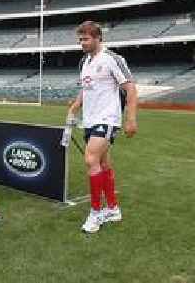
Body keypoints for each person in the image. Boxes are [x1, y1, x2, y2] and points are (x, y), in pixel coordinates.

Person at [67, 21, 138, 234]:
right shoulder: (84, 62)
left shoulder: (113, 59)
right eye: (80, 39)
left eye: (85, 39)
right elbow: (85, 89)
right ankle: (113, 209)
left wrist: (131, 119)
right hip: (90, 120)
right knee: (104, 163)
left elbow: (131, 90)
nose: (82, 43)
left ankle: (96, 212)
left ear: (98, 38)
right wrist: (74, 107)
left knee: (90, 159)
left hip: (107, 119)